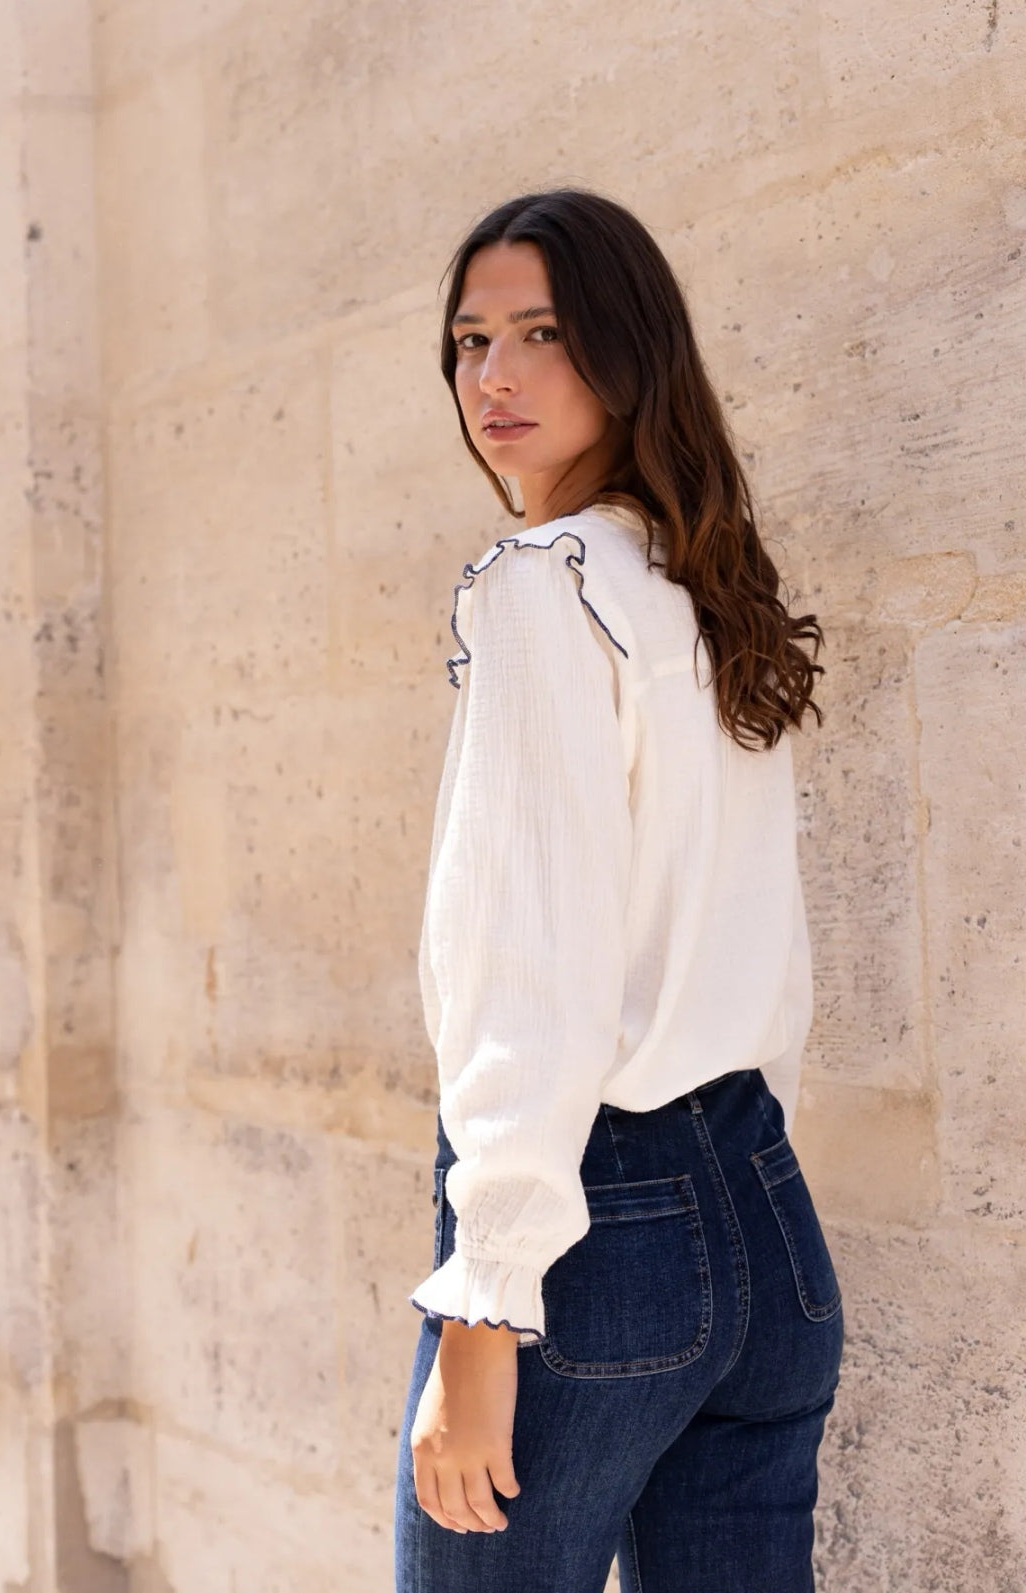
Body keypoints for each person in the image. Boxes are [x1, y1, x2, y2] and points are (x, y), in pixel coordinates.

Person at [392, 187, 844, 1593]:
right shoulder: (704, 589)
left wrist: (484, 1308)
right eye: (471, 341)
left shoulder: (543, 585)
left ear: (627, 351)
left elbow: (531, 963)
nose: (496, 376)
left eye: (543, 333)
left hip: (595, 1237)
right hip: (764, 1210)